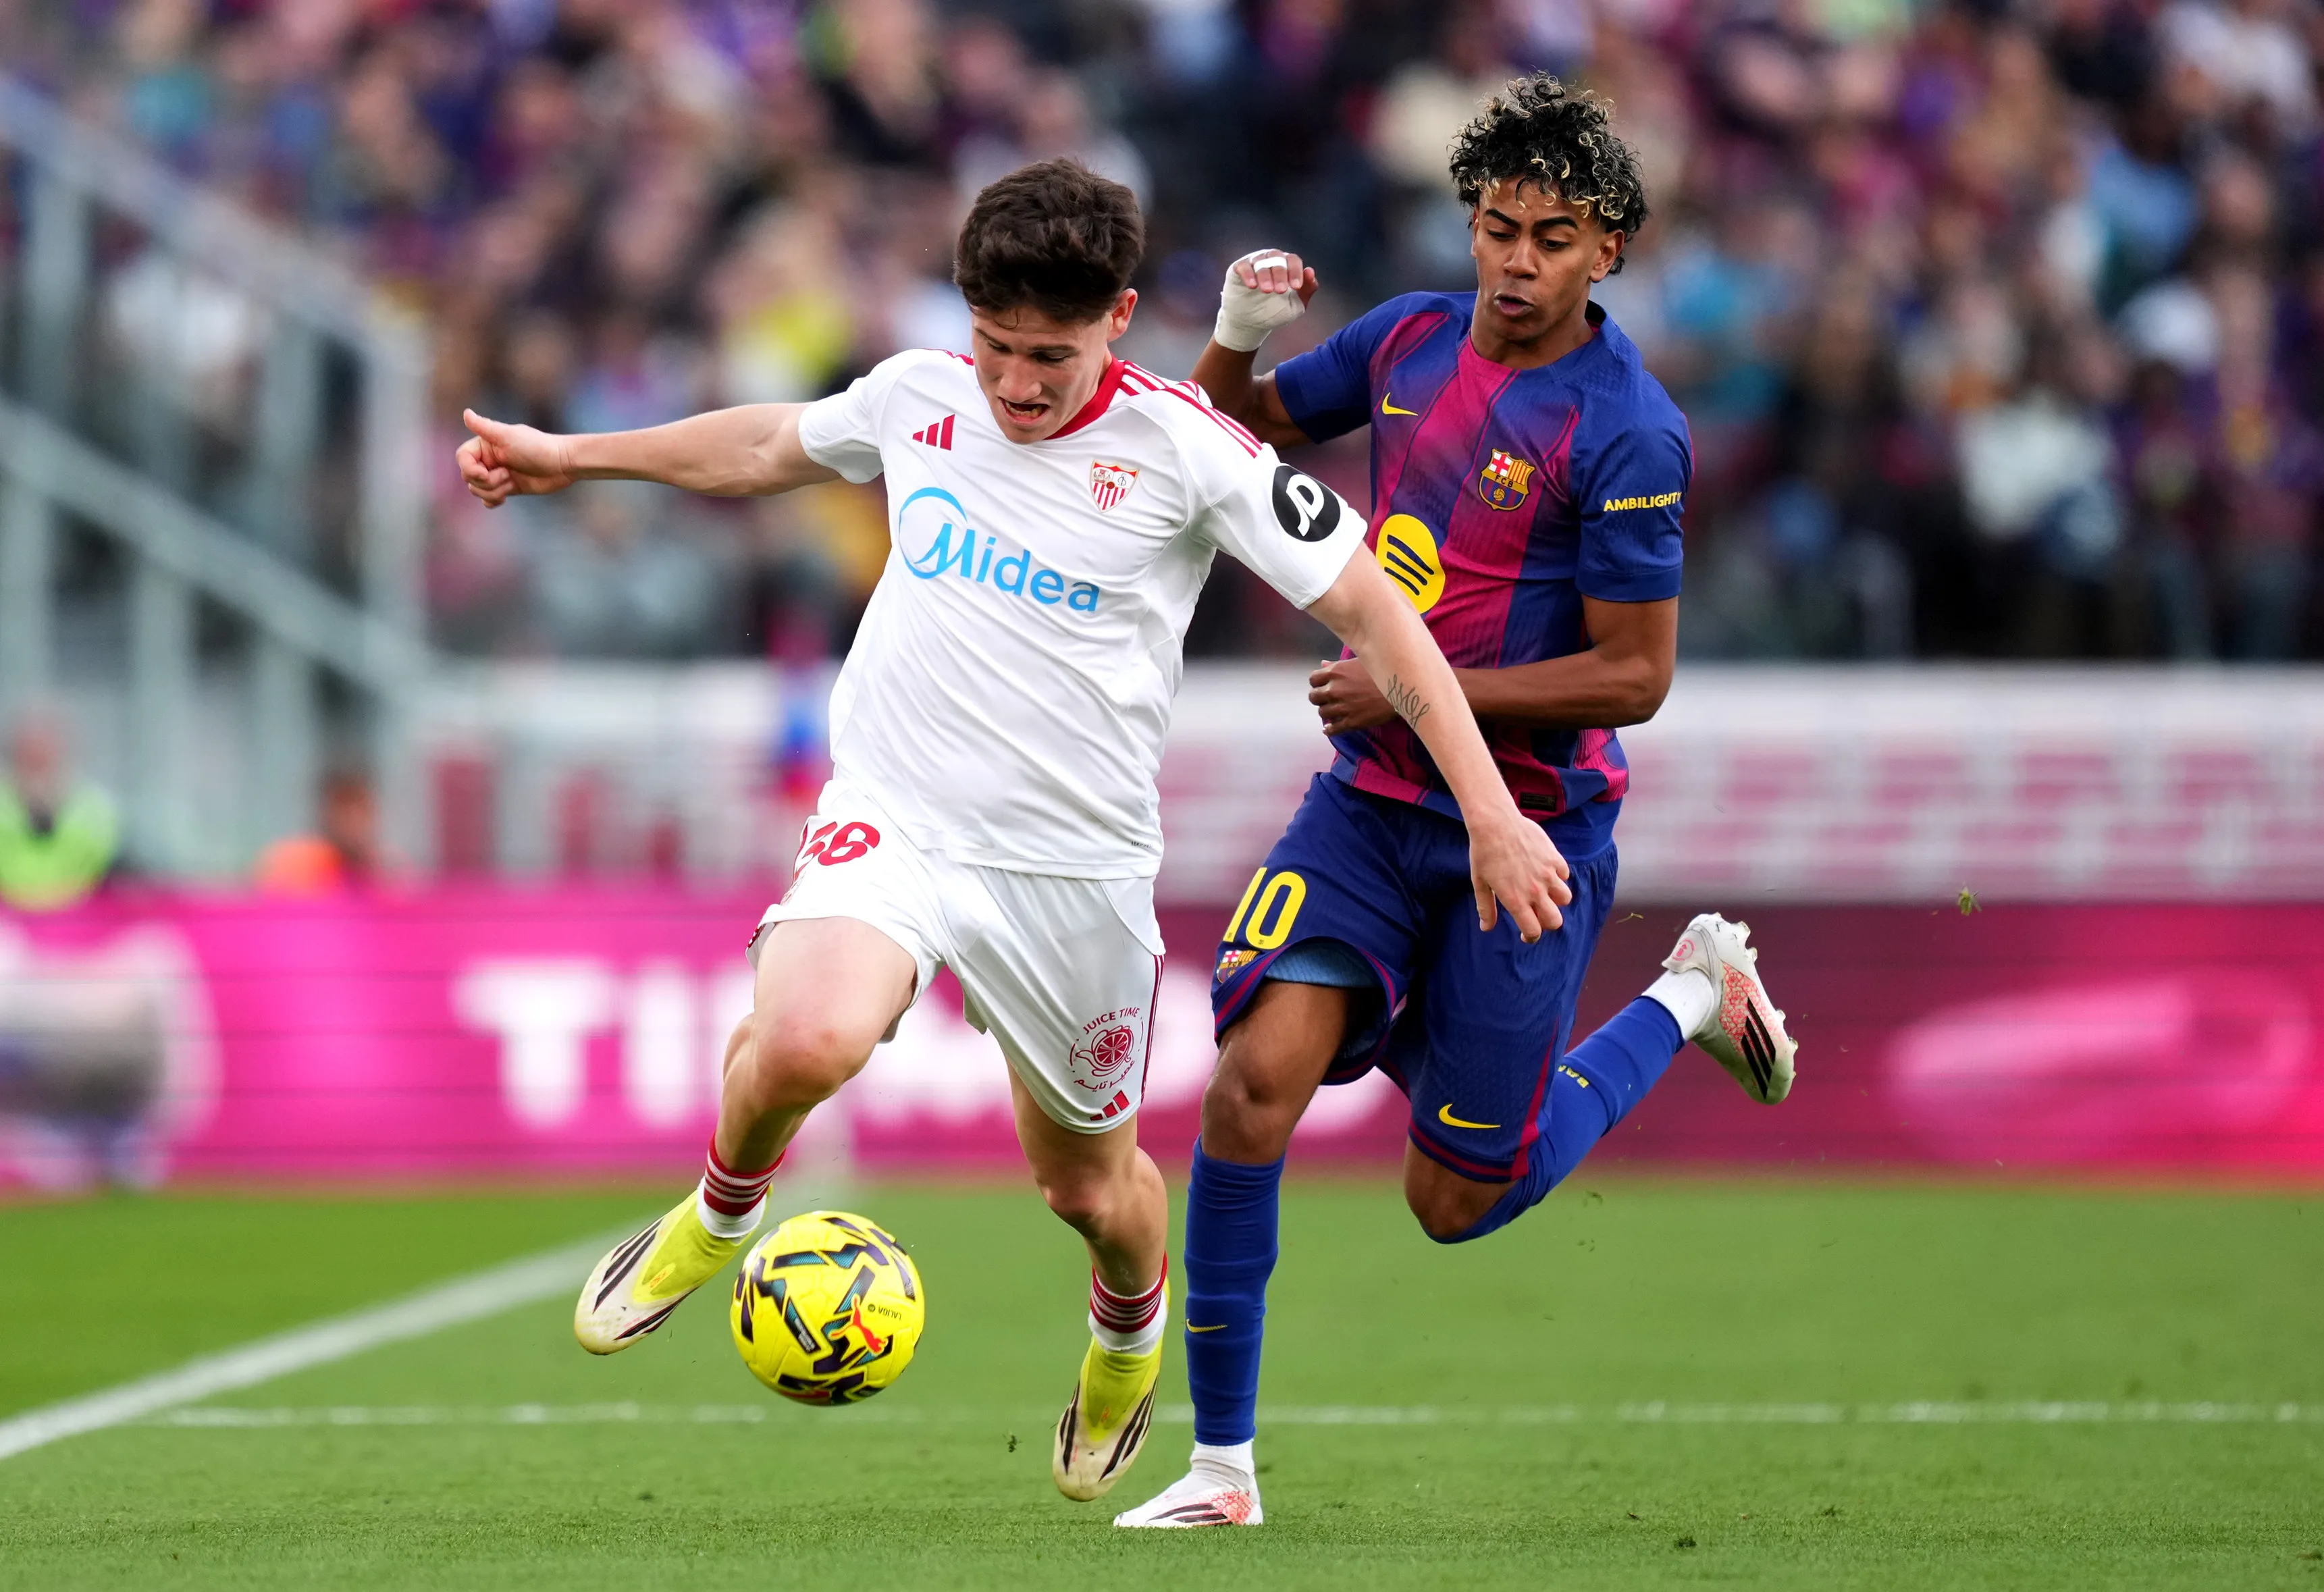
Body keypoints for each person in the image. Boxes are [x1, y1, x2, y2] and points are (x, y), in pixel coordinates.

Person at [454, 158, 1568, 1504]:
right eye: (994, 348)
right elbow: (768, 444)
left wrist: (1491, 810)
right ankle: (719, 1213)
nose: (1016, 384)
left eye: (1049, 354)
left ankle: (1124, 1332)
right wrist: (572, 457)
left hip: (1072, 871)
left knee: (1092, 1192)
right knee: (806, 1034)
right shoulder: (921, 396)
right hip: (899, 812)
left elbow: (1384, 621)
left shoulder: (1189, 449)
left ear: (1118, 318)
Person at [1115, 76, 1799, 1530]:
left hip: (1528, 830)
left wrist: (1412, 683)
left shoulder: (1627, 432)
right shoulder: (1405, 342)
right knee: (1247, 1090)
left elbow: (1632, 676)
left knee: (1452, 1200)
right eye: (1496, 227)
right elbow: (1216, 444)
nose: (1514, 261)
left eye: (1551, 237)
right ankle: (1221, 1472)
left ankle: (1686, 994)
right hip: (1367, 805)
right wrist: (1237, 334)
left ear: (1608, 248)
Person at [0, 708, 119, 912]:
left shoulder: (93, 809)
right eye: (30, 757)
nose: (38, 764)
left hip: (81, 922)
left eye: (44, 757)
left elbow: (108, 869)